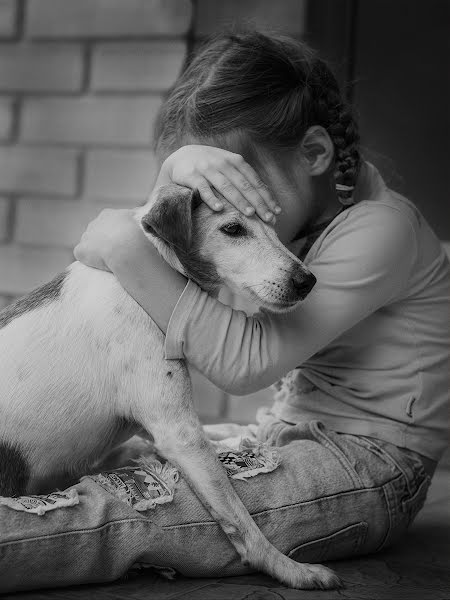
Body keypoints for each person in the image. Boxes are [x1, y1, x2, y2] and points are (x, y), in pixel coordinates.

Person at [1, 29, 449, 593]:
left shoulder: (384, 230)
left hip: (372, 469)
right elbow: (155, 243)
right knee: (141, 465)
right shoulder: (296, 223)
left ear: (313, 154)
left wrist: (124, 244)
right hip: (285, 436)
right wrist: (171, 181)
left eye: (239, 187)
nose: (220, 202)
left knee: (134, 511)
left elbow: (247, 364)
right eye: (207, 186)